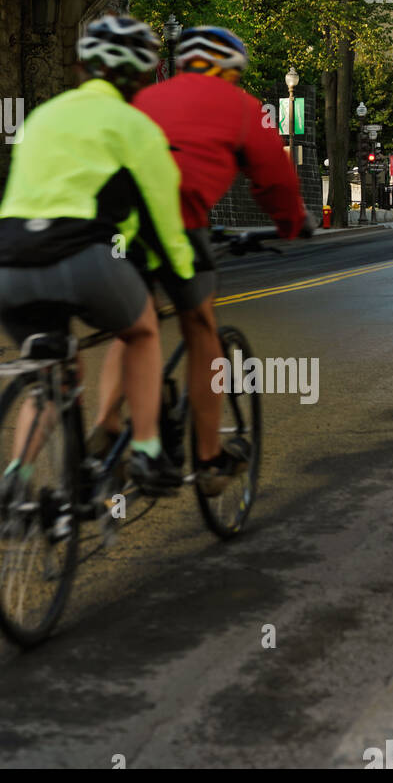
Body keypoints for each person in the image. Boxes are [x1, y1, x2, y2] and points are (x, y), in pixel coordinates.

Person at [0, 15, 195, 494]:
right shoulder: (135, 125)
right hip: (80, 256)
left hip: (8, 265)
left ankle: (16, 483)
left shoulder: (43, 115)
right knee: (142, 328)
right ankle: (146, 453)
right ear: (143, 77)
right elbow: (164, 217)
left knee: (54, 369)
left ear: (82, 68)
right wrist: (182, 272)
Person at [106, 25, 314, 496]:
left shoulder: (146, 99)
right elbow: (275, 177)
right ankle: (208, 460)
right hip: (176, 220)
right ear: (228, 70)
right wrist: (291, 223)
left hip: (114, 223)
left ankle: (104, 426)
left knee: (133, 324)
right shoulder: (241, 107)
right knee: (201, 327)